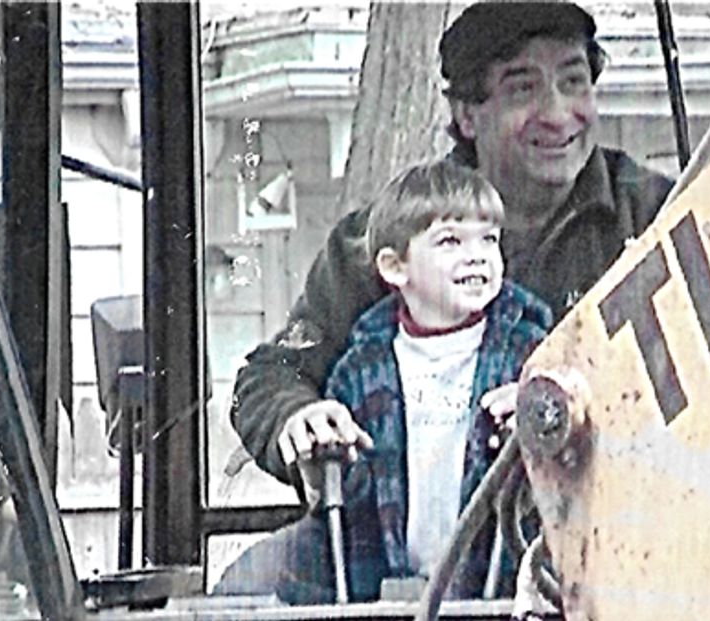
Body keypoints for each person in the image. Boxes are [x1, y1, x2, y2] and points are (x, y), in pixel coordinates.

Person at [230, 0, 672, 496]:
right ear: (466, 115)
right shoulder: (388, 235)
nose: (556, 114)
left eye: (574, 82)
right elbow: (271, 375)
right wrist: (298, 418)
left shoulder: (657, 215)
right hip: (423, 537)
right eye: (523, 89)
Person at [216, 160, 552, 602]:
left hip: (502, 581)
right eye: (450, 241)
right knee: (246, 584)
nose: (477, 255)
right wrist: (323, 456)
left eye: (489, 239)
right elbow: (350, 493)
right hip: (383, 580)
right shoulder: (361, 369)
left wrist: (541, 411)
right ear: (394, 267)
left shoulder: (533, 353)